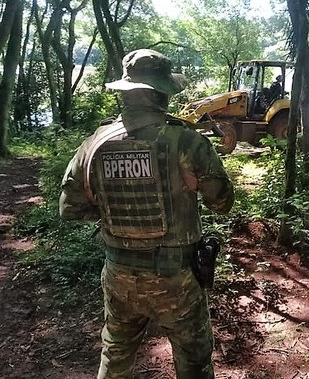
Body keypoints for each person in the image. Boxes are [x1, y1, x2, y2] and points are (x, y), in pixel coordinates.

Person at [59, 48, 235, 379]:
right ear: (162, 93)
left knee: (116, 353)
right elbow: (222, 202)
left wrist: (115, 200)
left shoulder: (94, 144)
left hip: (119, 275)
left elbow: (70, 208)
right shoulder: (186, 141)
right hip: (177, 281)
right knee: (194, 360)